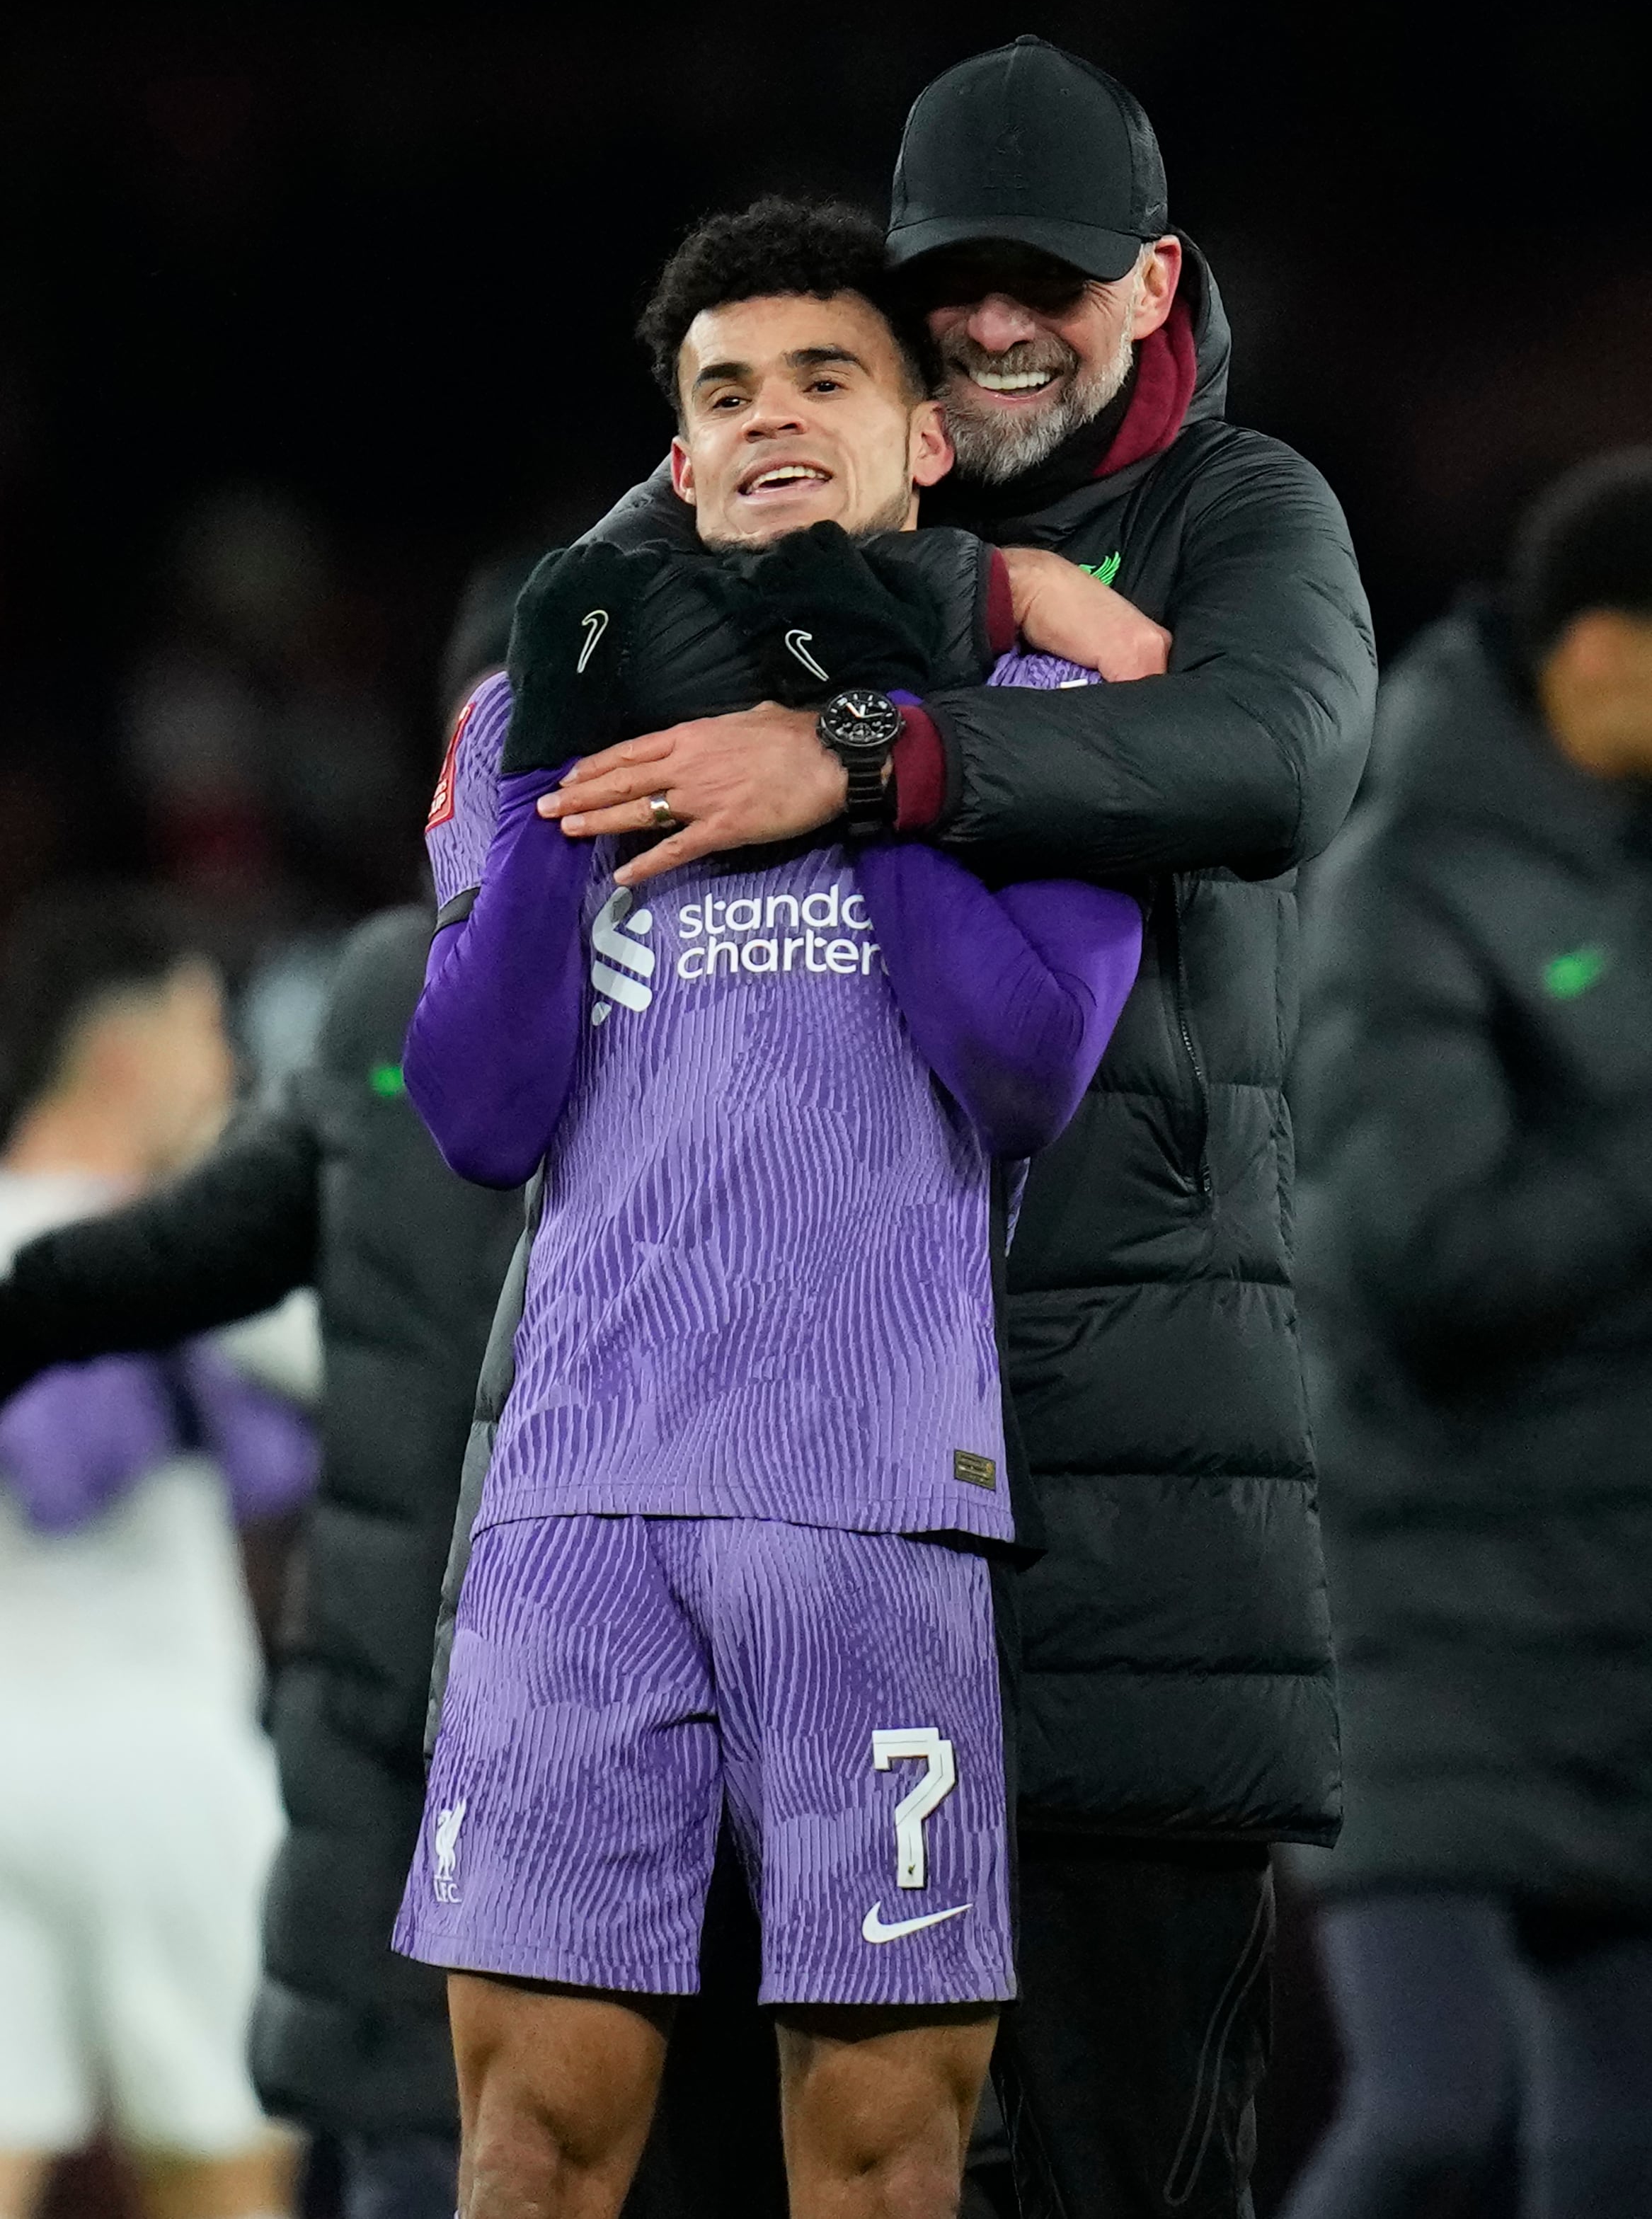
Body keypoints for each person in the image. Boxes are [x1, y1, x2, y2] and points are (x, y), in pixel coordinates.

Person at [514, 39, 1377, 2218]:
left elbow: (1263, 755)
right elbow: (568, 642)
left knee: (1116, 2182)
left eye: (1052, 282)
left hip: (1110, 1508)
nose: (996, 326)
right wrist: (977, 608)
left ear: (1154, 280)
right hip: (757, 1492)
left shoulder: (1236, 513)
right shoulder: (818, 484)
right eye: (952, 285)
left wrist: (870, 753)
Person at [391, 198, 1146, 2219]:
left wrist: (866, 743)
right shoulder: (527, 722)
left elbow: (1017, 1070)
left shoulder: (1048, 734)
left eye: (826, 375)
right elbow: (469, 1110)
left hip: (874, 1496)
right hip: (578, 1508)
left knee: (884, 2160)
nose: (770, 417)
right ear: (680, 457)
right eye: (722, 391)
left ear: (924, 444)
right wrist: (556, 775)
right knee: (529, 2147)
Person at [0, 575, 787, 2219]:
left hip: (599, 1768)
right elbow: (202, 1241)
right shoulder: (402, 1005)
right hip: (456, 1773)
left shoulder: (772, 982)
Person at [1283, 450, 1652, 2219]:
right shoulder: (1402, 886)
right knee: (1438, 2114)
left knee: (1618, 2145)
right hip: (1432, 1613)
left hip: (1616, 1606)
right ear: (1601, 651)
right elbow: (1414, 1260)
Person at [0, 888, 315, 2219]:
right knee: (221, 2186)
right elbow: (348, 1374)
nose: (230, 1065)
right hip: (169, 1770)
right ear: (125, 1053)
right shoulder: (196, 1262)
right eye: (206, 1026)